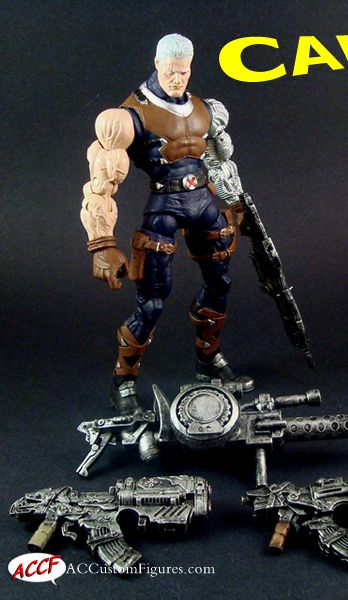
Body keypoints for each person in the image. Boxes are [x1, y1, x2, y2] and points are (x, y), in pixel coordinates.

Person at [81, 33, 254, 414]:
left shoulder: (205, 109)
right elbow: (101, 181)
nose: (177, 78)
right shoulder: (129, 116)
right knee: (153, 300)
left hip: (204, 202)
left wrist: (236, 203)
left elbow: (219, 162)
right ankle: (124, 381)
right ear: (158, 64)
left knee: (220, 284)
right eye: (171, 71)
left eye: (184, 71)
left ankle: (209, 362)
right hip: (165, 205)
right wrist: (102, 244)